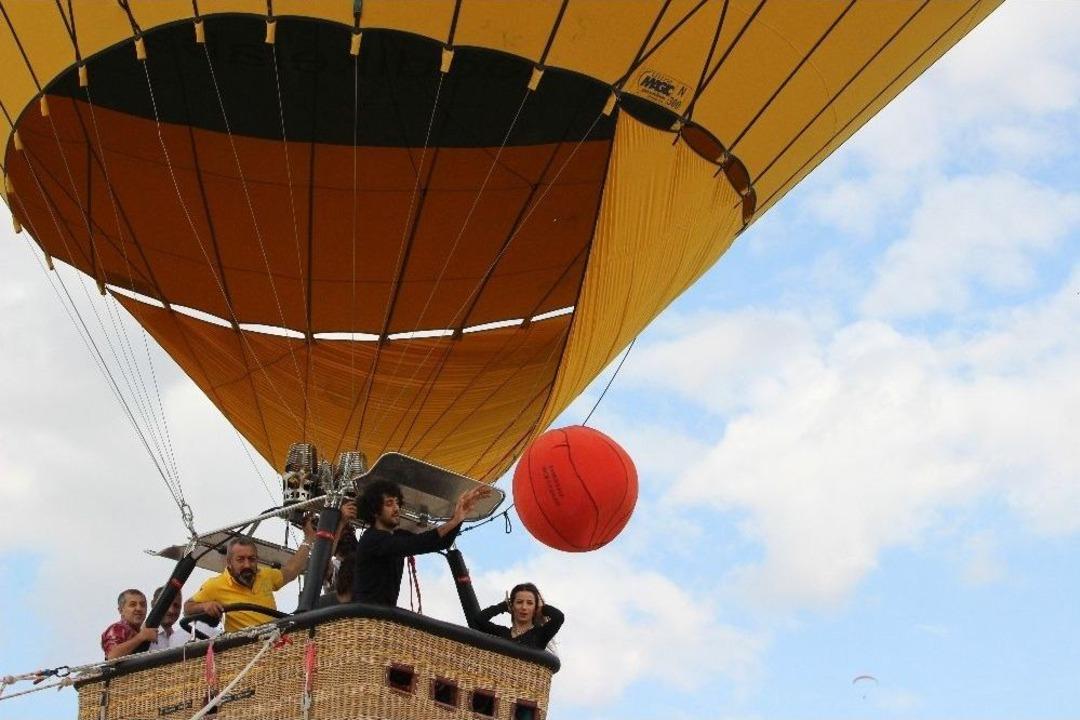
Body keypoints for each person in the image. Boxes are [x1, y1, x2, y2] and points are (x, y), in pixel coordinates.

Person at [352, 481, 490, 606]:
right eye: (389, 504)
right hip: (365, 618)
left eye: (396, 503)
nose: (396, 508)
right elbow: (416, 544)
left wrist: (460, 517)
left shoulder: (398, 536)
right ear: (375, 511)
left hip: (383, 618)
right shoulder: (371, 539)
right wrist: (454, 521)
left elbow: (441, 542)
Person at [184, 520, 315, 633]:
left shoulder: (265, 574)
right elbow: (188, 608)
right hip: (244, 650)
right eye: (240, 559)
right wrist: (205, 606)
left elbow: (291, 570)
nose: (247, 565)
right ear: (229, 562)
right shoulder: (215, 585)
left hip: (275, 642)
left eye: (251, 559)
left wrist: (308, 538)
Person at [473, 583, 564, 650]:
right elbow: (479, 619)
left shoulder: (539, 635)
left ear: (535, 607)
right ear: (512, 606)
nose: (524, 607)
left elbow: (558, 617)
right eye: (519, 602)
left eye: (530, 603)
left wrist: (541, 608)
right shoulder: (501, 633)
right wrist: (503, 606)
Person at [148, 586, 219, 650]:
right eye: (166, 604)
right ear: (153, 604)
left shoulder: (178, 637)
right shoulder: (143, 635)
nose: (171, 610)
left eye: (176, 606)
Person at [100, 589, 157, 660]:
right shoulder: (118, 628)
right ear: (121, 610)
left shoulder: (141, 631)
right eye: (132, 605)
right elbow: (112, 656)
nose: (139, 608)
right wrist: (141, 637)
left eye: (142, 605)